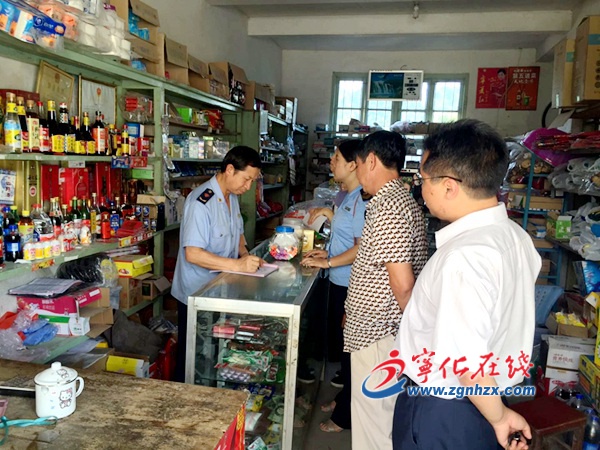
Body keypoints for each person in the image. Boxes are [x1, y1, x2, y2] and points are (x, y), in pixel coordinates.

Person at [393, 119, 540, 450]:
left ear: (449, 186)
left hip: (446, 409)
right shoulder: (516, 237)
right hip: (486, 397)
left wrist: (499, 418)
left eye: (423, 180)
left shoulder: (464, 257)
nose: (421, 189)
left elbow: (467, 361)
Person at [344, 130, 428, 449]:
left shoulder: (389, 207)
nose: (358, 174)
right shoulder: (399, 199)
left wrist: (415, 329)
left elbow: (403, 283)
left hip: (379, 333)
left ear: (372, 161)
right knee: (382, 414)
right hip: (382, 331)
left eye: (357, 165)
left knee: (374, 420)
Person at [171, 146, 263, 383]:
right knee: (193, 358)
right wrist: (238, 266)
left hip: (220, 289)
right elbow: (193, 254)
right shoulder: (201, 202)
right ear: (230, 169)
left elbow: (237, 234)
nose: (248, 186)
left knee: (216, 353)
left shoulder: (231, 197)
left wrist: (246, 257)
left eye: (252, 181)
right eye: (246, 179)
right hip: (197, 294)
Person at [301, 139, 367, 433]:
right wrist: (325, 253)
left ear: (353, 164)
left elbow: (361, 248)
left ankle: (345, 417)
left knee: (351, 353)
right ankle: (343, 400)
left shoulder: (360, 201)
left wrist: (328, 262)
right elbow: (343, 240)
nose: (331, 162)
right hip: (339, 279)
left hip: (350, 283)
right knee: (344, 349)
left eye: (336, 158)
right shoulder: (348, 196)